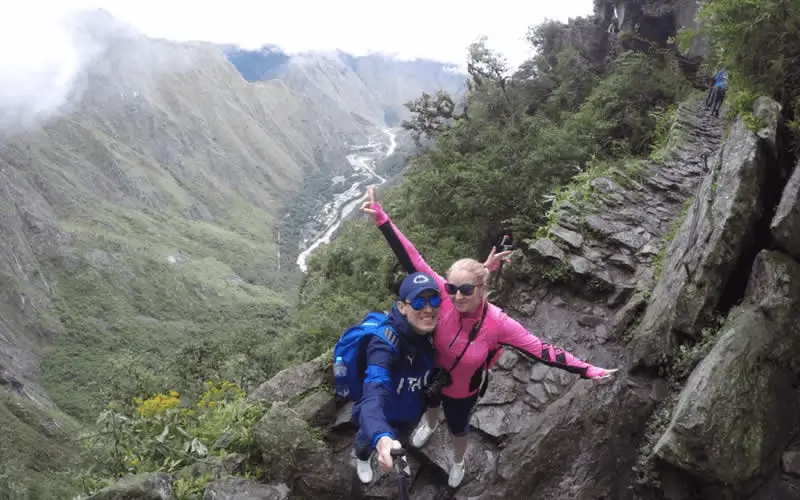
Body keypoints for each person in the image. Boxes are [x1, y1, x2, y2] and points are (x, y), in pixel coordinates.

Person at [360, 187, 618, 488]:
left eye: (466, 290)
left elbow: (543, 350)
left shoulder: (498, 324)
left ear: (482, 289)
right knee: (429, 407)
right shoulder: (444, 296)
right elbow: (412, 258)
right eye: (452, 288)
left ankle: (458, 462)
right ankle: (429, 427)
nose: (456, 296)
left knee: (458, 429)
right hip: (434, 375)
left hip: (462, 391)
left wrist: (586, 369)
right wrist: (382, 219)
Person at [338, 271, 442, 484]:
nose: (428, 308)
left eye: (433, 299)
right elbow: (373, 395)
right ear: (402, 307)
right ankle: (362, 458)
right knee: (365, 441)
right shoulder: (384, 345)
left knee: (401, 438)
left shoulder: (434, 333)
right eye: (418, 302)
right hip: (382, 412)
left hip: (411, 408)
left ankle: (391, 446)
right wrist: (382, 437)